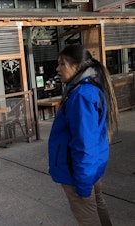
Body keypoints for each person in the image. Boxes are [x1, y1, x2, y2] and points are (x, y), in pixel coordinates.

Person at [48, 45, 118, 226]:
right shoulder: (88, 88)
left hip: (79, 173)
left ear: (77, 67)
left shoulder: (81, 95)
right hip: (90, 170)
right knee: (97, 206)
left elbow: (84, 144)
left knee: (88, 217)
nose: (57, 69)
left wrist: (83, 184)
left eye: (62, 64)